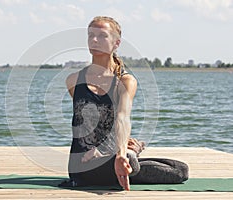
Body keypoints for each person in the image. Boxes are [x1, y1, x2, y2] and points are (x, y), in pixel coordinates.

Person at [59, 16, 188, 191]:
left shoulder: (125, 81)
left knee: (180, 169)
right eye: (90, 35)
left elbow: (122, 118)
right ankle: (129, 155)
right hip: (82, 165)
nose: (94, 40)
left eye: (102, 36)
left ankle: (126, 157)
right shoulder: (74, 80)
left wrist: (117, 154)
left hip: (112, 155)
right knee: (132, 163)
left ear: (116, 43)